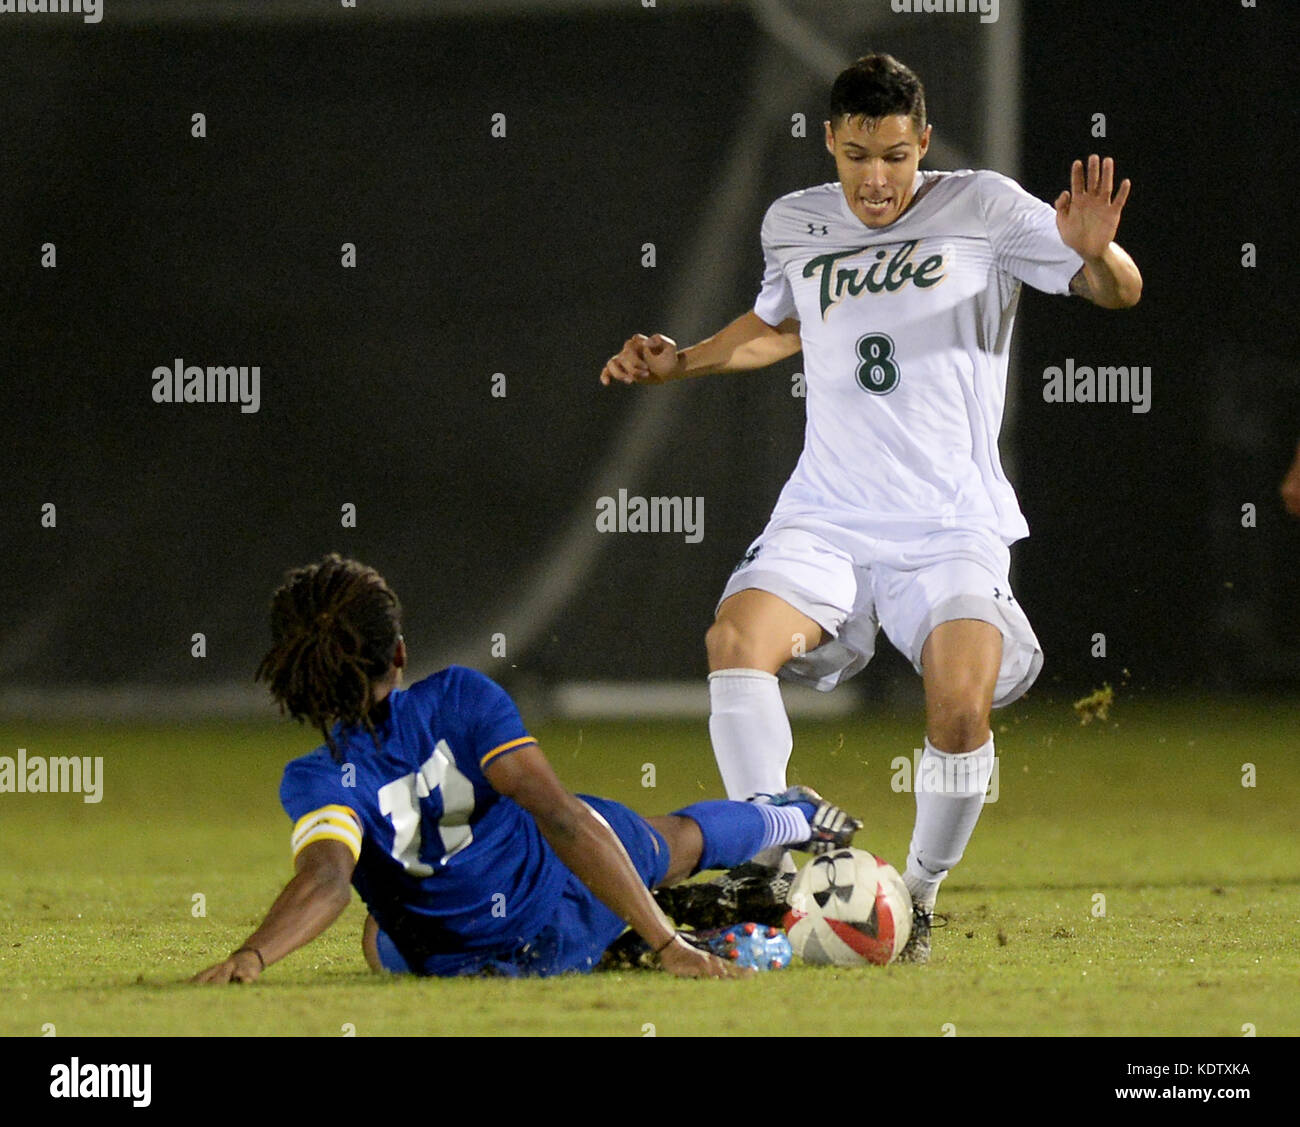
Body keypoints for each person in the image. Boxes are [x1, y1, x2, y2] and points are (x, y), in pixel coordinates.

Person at [600, 52, 1142, 962]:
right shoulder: (795, 222)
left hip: (951, 522)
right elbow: (777, 330)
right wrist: (679, 358)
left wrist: (1099, 252)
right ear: (831, 143)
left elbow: (1114, 290)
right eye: (857, 156)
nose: (876, 179)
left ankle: (915, 895)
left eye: (895, 155)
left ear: (922, 141)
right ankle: (773, 857)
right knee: (736, 643)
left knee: (960, 712)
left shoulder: (986, 206)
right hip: (830, 512)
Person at [191, 553, 860, 984]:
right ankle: (790, 817)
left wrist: (251, 957)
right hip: (570, 902)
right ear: (397, 652)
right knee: (670, 843)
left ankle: (785, 814)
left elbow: (328, 881)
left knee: (381, 935)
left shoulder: (314, 779)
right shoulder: (459, 696)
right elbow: (563, 817)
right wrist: (668, 946)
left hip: (471, 962)